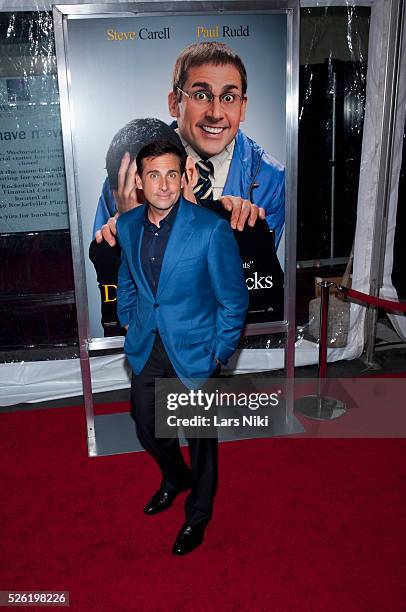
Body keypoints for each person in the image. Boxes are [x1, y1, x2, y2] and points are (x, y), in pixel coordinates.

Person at [116, 137, 248, 555]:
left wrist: (217, 352)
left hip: (195, 350)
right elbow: (127, 277)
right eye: (154, 175)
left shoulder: (210, 229)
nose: (164, 185)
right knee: (146, 422)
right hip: (148, 345)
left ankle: (198, 515)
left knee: (200, 440)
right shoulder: (128, 225)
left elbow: (234, 300)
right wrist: (127, 316)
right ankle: (174, 477)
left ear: (183, 177)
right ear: (140, 181)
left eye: (172, 174)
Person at [94, 41, 284, 249]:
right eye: (201, 95)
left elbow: (258, 273)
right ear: (174, 103)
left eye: (229, 97)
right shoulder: (127, 169)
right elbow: (109, 273)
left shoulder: (271, 179)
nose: (216, 113)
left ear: (243, 107)